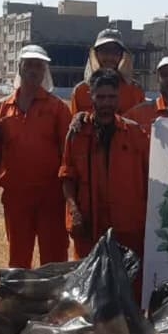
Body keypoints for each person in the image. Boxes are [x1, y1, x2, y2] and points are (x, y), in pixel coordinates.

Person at [0, 44, 72, 269]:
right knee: (18, 258)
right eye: (29, 65)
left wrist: (71, 196)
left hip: (51, 197)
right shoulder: (3, 108)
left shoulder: (58, 109)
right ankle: (19, 293)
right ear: (19, 68)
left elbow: (68, 156)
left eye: (39, 66)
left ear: (44, 71)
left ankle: (52, 293)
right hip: (16, 197)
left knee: (54, 259)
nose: (33, 70)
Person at [60, 69, 151, 261]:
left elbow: (150, 177)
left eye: (112, 97)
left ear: (119, 98)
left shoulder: (135, 134)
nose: (106, 103)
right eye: (101, 97)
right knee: (88, 278)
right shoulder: (77, 134)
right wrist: (74, 211)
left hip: (127, 229)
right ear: (91, 97)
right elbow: (67, 177)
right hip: (88, 228)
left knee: (127, 278)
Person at [69, 28, 145, 115]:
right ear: (95, 54)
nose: (109, 57)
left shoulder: (135, 91)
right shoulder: (80, 91)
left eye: (115, 52)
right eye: (105, 51)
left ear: (122, 56)